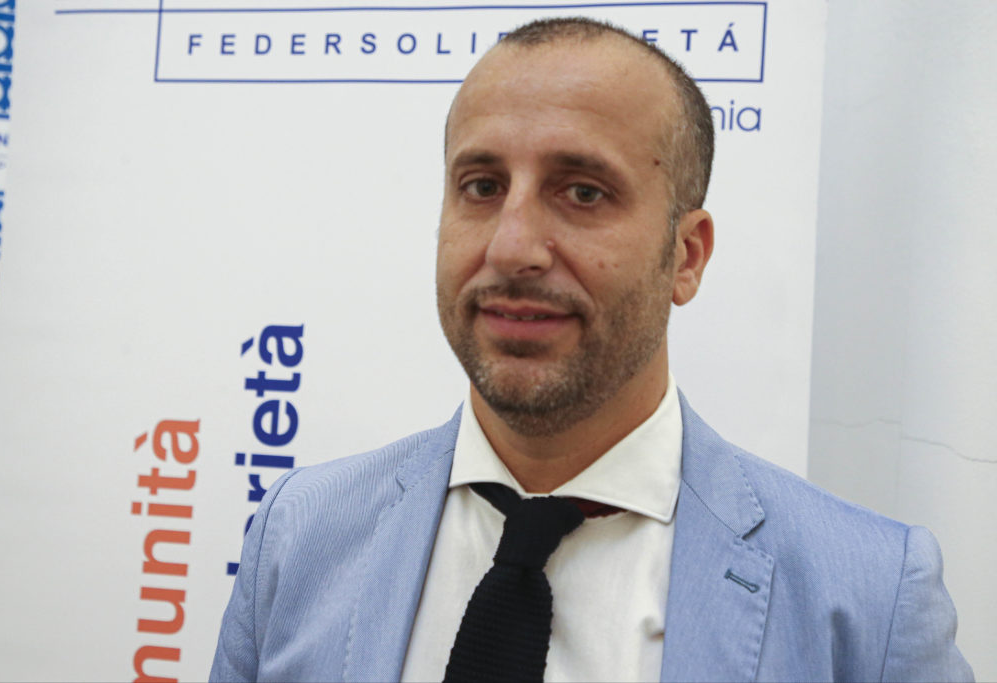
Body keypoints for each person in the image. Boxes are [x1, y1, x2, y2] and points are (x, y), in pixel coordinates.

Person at [210, 18, 974, 683]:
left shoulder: (871, 600)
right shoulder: (297, 537)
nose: (511, 247)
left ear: (686, 255)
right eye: (482, 186)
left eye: (582, 192)